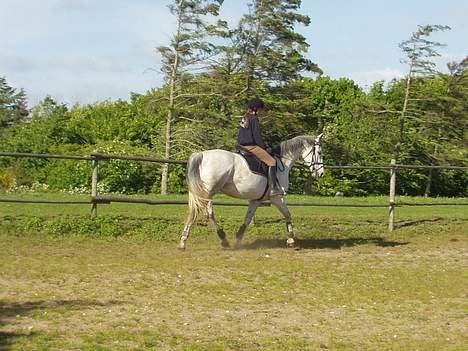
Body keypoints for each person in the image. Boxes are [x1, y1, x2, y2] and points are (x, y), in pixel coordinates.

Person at [237, 98, 284, 196]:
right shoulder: (254, 119)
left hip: (241, 145)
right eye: (260, 109)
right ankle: (273, 188)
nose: (261, 112)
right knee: (272, 162)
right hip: (251, 146)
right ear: (255, 109)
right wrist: (264, 148)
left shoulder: (245, 117)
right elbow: (257, 137)